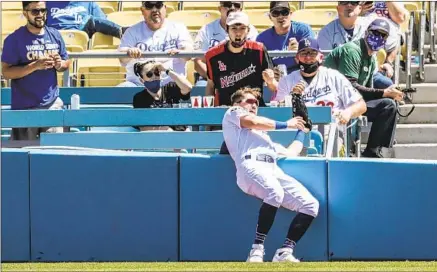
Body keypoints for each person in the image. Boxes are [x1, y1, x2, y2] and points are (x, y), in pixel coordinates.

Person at [222, 87, 318, 263]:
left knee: (310, 205)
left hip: (271, 168)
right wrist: (287, 124)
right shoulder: (232, 113)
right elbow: (252, 121)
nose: (253, 105)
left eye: (256, 103)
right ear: (237, 103)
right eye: (249, 101)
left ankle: (285, 251)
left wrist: (302, 131)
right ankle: (256, 250)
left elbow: (291, 152)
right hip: (249, 165)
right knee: (275, 192)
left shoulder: (265, 138)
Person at [324, 19, 404, 158]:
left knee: (389, 106)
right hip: (335, 101)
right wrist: (384, 92)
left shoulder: (372, 57)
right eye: (375, 32)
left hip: (354, 102)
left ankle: (374, 150)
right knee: (387, 102)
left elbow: (368, 86)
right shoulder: (353, 51)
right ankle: (371, 151)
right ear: (366, 32)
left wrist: (390, 89)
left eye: (383, 35)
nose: (378, 37)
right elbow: (351, 87)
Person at [1, 1, 70, 140]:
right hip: (25, 108)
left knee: (55, 153)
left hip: (52, 104)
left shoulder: (55, 34)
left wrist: (59, 64)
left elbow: (66, 62)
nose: (40, 15)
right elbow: (6, 72)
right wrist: (35, 66)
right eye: (35, 11)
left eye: (43, 10)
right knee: (23, 154)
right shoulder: (14, 39)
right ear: (25, 13)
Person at [273, 37, 367, 124]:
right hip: (298, 131)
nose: (308, 58)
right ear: (297, 59)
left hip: (331, 131)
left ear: (321, 58)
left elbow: (361, 105)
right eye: (304, 53)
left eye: (313, 53)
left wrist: (348, 112)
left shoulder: (334, 76)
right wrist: (294, 97)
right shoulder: (286, 81)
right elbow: (279, 112)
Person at [117, 1, 193, 103]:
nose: (154, 9)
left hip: (171, 85)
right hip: (138, 85)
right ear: (142, 10)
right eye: (149, 6)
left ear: (165, 8)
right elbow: (122, 59)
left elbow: (188, 54)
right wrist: (129, 51)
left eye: (158, 5)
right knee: (119, 91)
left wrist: (181, 52)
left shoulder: (178, 28)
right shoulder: (132, 31)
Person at [205, 11, 276, 107]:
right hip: (226, 110)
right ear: (227, 29)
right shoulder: (213, 55)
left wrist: (271, 81)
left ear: (248, 30)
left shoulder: (259, 50)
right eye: (234, 28)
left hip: (254, 108)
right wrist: (209, 111)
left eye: (242, 28)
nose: (238, 33)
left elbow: (273, 87)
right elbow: (210, 85)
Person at [193, 1, 258, 86]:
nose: (232, 7)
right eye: (227, 4)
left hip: (243, 78)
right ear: (219, 9)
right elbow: (198, 62)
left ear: (241, 9)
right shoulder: (206, 29)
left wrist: (235, 79)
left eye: (236, 5)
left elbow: (255, 60)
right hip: (211, 79)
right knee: (201, 86)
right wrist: (215, 80)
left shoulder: (250, 30)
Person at [132, 60, 192, 131]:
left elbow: (188, 87)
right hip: (160, 138)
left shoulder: (171, 88)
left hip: (182, 134)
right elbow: (143, 127)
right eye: (149, 74)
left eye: (157, 72)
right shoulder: (139, 98)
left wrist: (166, 70)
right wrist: (164, 130)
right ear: (142, 80)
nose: (154, 76)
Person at [256, 1, 314, 74]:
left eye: (284, 12)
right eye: (275, 13)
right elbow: (259, 67)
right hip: (276, 79)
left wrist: (299, 53)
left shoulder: (303, 30)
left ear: (291, 14)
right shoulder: (262, 38)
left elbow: (312, 61)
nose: (280, 16)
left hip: (301, 75)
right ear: (270, 17)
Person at [361, 1, 408, 88]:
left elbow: (400, 18)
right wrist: (360, 9)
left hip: (388, 29)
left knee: (394, 34)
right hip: (365, 25)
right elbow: (348, 16)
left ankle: (386, 64)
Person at [46, 1, 126, 39]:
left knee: (91, 21)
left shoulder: (88, 2)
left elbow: (102, 21)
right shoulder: (46, 3)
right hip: (54, 36)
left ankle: (124, 32)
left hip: (82, 32)